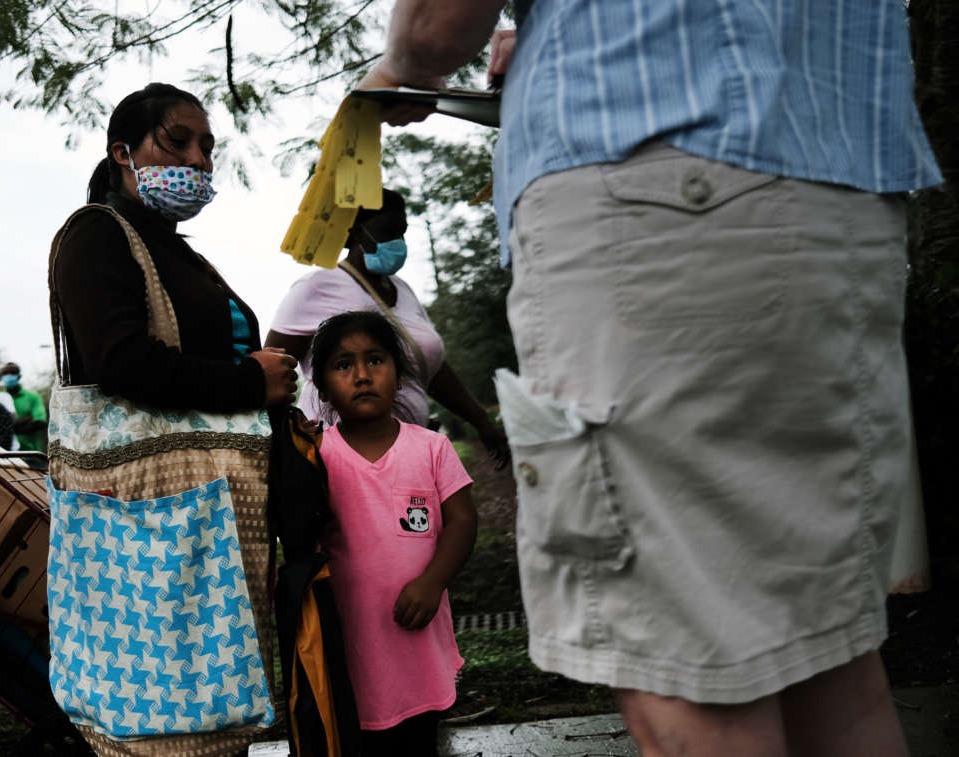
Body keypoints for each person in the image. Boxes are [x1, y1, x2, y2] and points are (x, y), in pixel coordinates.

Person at [358, 3, 942, 757]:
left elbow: (440, 24)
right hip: (843, 187)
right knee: (828, 663)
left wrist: (404, 65)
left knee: (682, 676)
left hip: (652, 193)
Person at [48, 82, 297, 756]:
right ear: (122, 151)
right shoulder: (97, 234)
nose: (197, 160)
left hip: (205, 516)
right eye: (178, 140)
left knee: (214, 707)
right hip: (161, 514)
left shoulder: (177, 250)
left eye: (208, 148)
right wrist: (251, 379)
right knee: (167, 714)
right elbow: (122, 360)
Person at [310, 311, 475, 756]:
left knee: (420, 741)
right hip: (354, 648)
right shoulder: (317, 457)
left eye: (375, 360)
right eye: (343, 365)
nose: (362, 375)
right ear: (322, 386)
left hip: (420, 641)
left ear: (398, 374)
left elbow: (461, 520)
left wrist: (432, 581)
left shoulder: (431, 447)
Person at [266, 188, 508, 466]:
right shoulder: (319, 286)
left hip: (406, 452)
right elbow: (273, 366)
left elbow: (430, 365)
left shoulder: (403, 290)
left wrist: (480, 420)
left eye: (403, 232)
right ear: (357, 233)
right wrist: (287, 430)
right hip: (338, 455)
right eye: (388, 230)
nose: (399, 241)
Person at [0, 363, 48, 451]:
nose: (9, 376)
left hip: (31, 454)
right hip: (5, 455)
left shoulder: (33, 396)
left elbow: (40, 422)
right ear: (2, 377)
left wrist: (9, 427)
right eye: (5, 373)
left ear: (19, 376)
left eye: (12, 373)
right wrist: (26, 420)